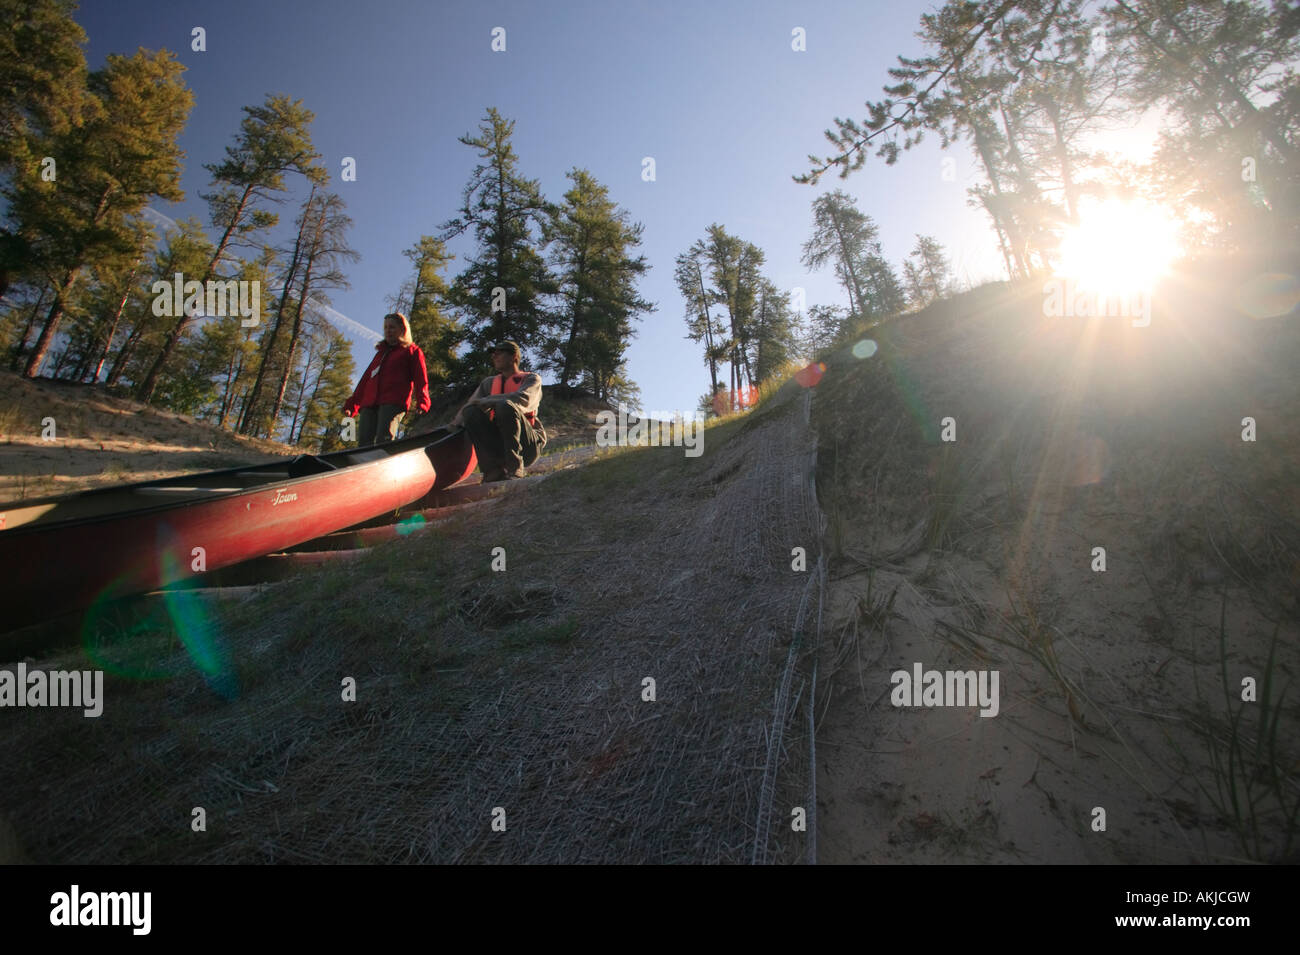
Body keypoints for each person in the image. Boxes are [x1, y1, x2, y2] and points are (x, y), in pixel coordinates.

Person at [450, 340, 546, 481]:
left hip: (527, 446)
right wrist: (452, 427)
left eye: (499, 353)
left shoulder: (531, 379)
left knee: (504, 405)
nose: (494, 357)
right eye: (493, 354)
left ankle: (515, 469)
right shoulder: (488, 383)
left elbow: (524, 399)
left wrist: (489, 400)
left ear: (514, 357)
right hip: (500, 445)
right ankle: (493, 471)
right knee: (470, 411)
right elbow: (471, 404)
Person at [344, 312, 431, 445]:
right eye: (385, 327)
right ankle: (363, 464)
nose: (388, 331)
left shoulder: (412, 351)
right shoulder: (380, 354)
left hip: (393, 402)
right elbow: (365, 381)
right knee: (363, 441)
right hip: (369, 403)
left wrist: (422, 402)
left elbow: (421, 378)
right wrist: (352, 404)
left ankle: (383, 462)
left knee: (383, 439)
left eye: (392, 327)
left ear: (402, 329)